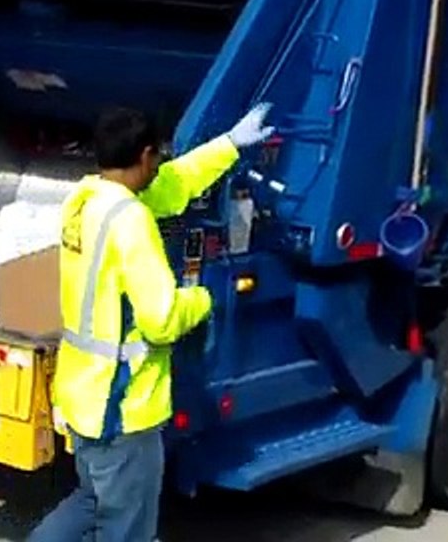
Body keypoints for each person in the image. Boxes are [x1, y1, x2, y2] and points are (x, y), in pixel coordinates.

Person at [29, 103, 274, 542]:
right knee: (129, 527)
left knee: (92, 499)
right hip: (124, 407)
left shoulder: (83, 201)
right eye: (156, 157)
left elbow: (172, 185)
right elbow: (160, 320)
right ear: (144, 155)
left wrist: (230, 145)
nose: (159, 165)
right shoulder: (132, 222)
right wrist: (203, 299)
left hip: (82, 394)